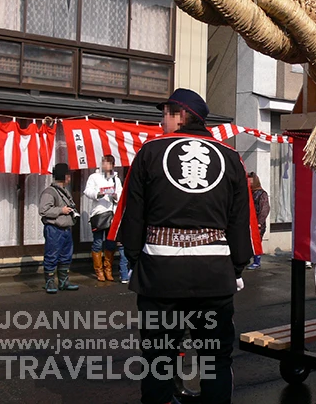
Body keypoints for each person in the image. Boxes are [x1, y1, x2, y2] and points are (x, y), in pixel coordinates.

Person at [113, 88, 253, 404]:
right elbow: (239, 219)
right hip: (214, 272)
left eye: (164, 113)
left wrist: (135, 258)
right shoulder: (230, 157)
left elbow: (134, 212)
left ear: (180, 115)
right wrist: (237, 265)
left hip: (160, 273)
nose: (161, 120)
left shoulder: (150, 152)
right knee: (215, 357)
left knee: (158, 357)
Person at [84, 155, 127, 282]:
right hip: (99, 213)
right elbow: (87, 191)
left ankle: (108, 269)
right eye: (104, 163)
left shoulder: (116, 179)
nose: (106, 166)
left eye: (108, 163)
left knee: (110, 243)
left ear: (113, 165)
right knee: (97, 242)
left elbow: (121, 195)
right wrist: (98, 194)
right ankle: (99, 271)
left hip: (112, 214)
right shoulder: (94, 177)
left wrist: (114, 195)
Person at [39, 163, 80, 294]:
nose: (70, 177)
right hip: (54, 228)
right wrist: (61, 210)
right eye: (68, 175)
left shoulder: (65, 191)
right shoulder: (49, 192)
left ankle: (63, 281)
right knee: (51, 255)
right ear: (65, 176)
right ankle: (50, 282)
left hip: (66, 228)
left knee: (65, 256)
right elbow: (43, 210)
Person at [246, 172, 269, 270]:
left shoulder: (261, 194)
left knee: (257, 240)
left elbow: (265, 208)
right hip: (247, 221)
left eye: (250, 180)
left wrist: (259, 222)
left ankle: (257, 261)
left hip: (257, 222)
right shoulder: (248, 193)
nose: (249, 183)